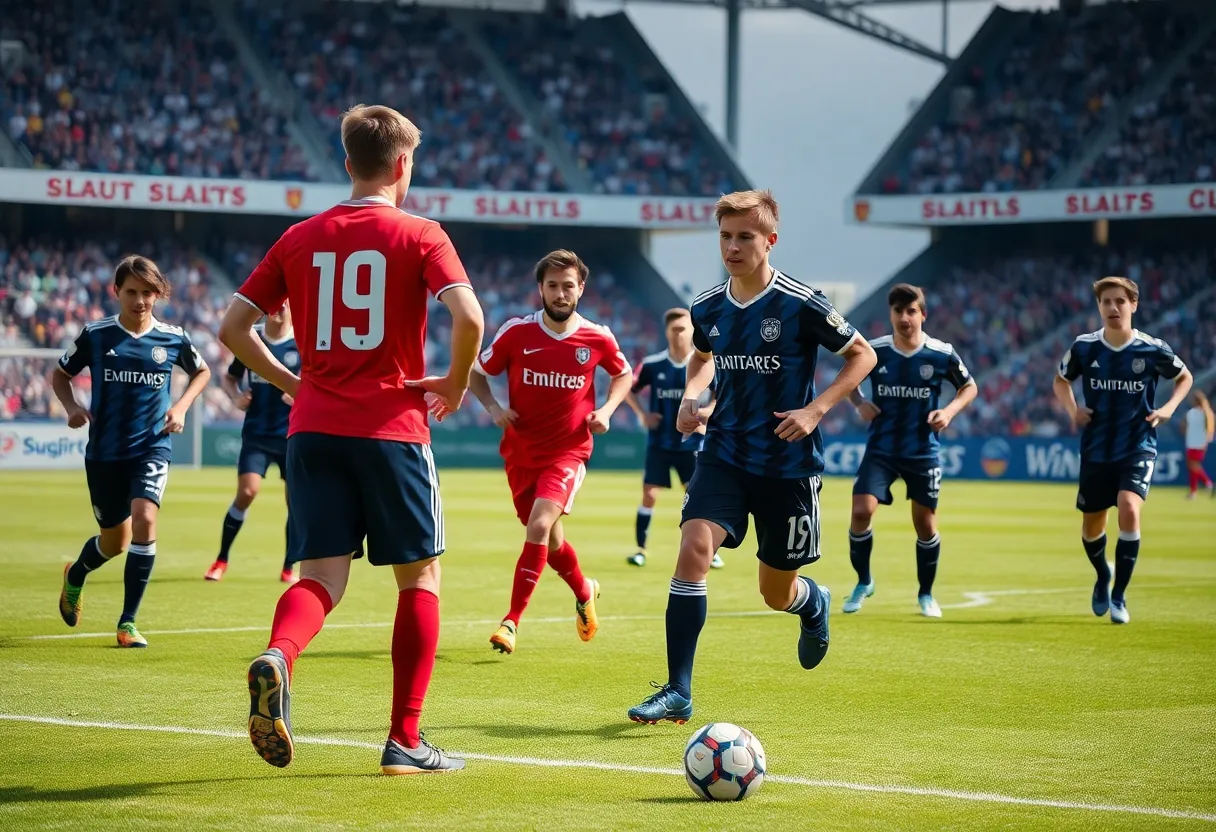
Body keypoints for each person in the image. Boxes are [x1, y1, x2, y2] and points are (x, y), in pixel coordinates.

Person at [218, 104, 485, 774]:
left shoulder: (301, 236)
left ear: (346, 164)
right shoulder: (422, 233)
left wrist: (289, 380)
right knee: (419, 576)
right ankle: (404, 741)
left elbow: (231, 327)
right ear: (403, 165)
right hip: (392, 429)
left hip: (312, 428)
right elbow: (470, 316)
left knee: (321, 578)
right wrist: (453, 385)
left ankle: (279, 655)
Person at [626, 189, 876, 725]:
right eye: (725, 236)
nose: (733, 247)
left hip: (789, 464)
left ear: (770, 240)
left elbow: (863, 354)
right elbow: (700, 358)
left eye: (745, 236)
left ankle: (811, 603)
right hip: (724, 452)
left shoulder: (802, 303)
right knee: (694, 543)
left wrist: (816, 410)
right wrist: (693, 397)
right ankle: (678, 690)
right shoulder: (707, 307)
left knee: (774, 592)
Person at [466, 249, 632, 655]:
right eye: (553, 286)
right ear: (540, 288)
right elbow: (476, 372)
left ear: (581, 289)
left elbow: (623, 373)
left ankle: (511, 622)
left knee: (539, 526)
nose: (561, 293)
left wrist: (607, 410)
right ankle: (584, 589)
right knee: (552, 541)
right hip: (520, 454)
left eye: (568, 286)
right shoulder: (515, 333)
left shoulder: (597, 336)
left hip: (568, 452)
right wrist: (493, 408)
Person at [53, 255, 211, 648]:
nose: (140, 300)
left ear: (158, 294)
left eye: (147, 292)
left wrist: (180, 407)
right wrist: (72, 408)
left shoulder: (173, 337)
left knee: (145, 518)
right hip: (105, 453)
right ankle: (76, 574)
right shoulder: (97, 334)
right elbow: (60, 374)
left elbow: (202, 371)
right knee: (114, 543)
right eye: (131, 292)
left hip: (151, 447)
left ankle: (127, 623)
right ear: (116, 292)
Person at [1053, 276, 1192, 625]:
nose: (1113, 308)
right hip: (1097, 449)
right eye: (1106, 302)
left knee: (1129, 508)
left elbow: (1185, 377)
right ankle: (1103, 575)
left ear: (1133, 305)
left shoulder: (1152, 348)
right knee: (1091, 529)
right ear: (1099, 307)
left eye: (1120, 301)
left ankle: (1119, 597)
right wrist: (1072, 410)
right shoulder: (1085, 348)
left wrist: (1169, 409)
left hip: (1137, 445)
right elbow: (1060, 380)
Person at [844, 284, 977, 618]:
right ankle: (863, 582)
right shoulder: (874, 351)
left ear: (923, 314)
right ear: (890, 314)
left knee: (925, 524)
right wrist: (859, 402)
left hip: (922, 451)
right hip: (881, 449)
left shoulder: (941, 353)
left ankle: (926, 594)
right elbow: (848, 374)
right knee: (861, 511)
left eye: (911, 311)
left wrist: (948, 412)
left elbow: (969, 386)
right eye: (898, 311)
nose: (904, 318)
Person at [206, 302, 298, 583]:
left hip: (292, 436)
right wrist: (235, 397)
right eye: (275, 301)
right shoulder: (250, 336)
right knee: (247, 492)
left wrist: (300, 397)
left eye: (286, 302)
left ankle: (288, 566)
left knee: (295, 503)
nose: (279, 307)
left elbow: (318, 381)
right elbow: (230, 377)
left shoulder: (303, 342)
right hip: (257, 434)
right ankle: (221, 559)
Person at [624, 309, 722, 569]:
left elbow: (722, 392)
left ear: (692, 331)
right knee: (649, 494)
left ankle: (709, 550)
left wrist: (709, 411)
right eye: (674, 329)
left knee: (696, 495)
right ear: (666, 332)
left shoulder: (703, 364)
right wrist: (643, 414)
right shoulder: (653, 364)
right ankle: (640, 550)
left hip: (690, 442)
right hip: (659, 442)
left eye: (683, 329)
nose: (678, 334)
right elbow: (627, 389)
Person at [1183, 391, 1214, 499]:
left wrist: (1206, 439)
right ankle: (1195, 490)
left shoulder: (1202, 413)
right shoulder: (1195, 412)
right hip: (1194, 442)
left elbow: (1209, 428)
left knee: (1193, 465)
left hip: (1197, 442)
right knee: (1192, 466)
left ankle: (1207, 483)